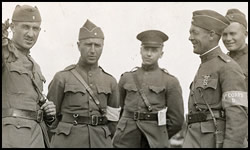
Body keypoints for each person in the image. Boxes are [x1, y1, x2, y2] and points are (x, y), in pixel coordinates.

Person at [47, 19, 120, 148]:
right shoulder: (62, 77)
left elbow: (113, 122)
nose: (92, 50)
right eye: (88, 44)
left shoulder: (111, 82)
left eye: (97, 45)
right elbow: (51, 118)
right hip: (67, 142)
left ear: (103, 46)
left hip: (100, 142)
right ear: (78, 45)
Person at [183, 9, 248, 148]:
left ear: (211, 35)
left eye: (195, 32)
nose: (190, 37)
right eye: (190, 32)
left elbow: (237, 116)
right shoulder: (207, 64)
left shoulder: (227, 67)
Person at [112, 30, 184, 148]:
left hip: (153, 142)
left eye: (154, 50)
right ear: (140, 50)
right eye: (146, 49)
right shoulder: (126, 78)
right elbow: (117, 111)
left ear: (161, 53)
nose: (149, 54)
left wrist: (159, 135)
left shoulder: (170, 81)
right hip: (125, 140)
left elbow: (177, 121)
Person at [2, 5, 56, 148]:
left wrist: (47, 112)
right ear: (13, 27)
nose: (31, 34)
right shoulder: (5, 54)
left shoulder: (35, 66)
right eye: (26, 27)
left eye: (35, 28)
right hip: (11, 139)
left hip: (37, 138)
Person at [222, 8, 248, 90]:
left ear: (245, 34)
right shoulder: (221, 61)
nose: (228, 38)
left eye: (232, 34)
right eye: (224, 34)